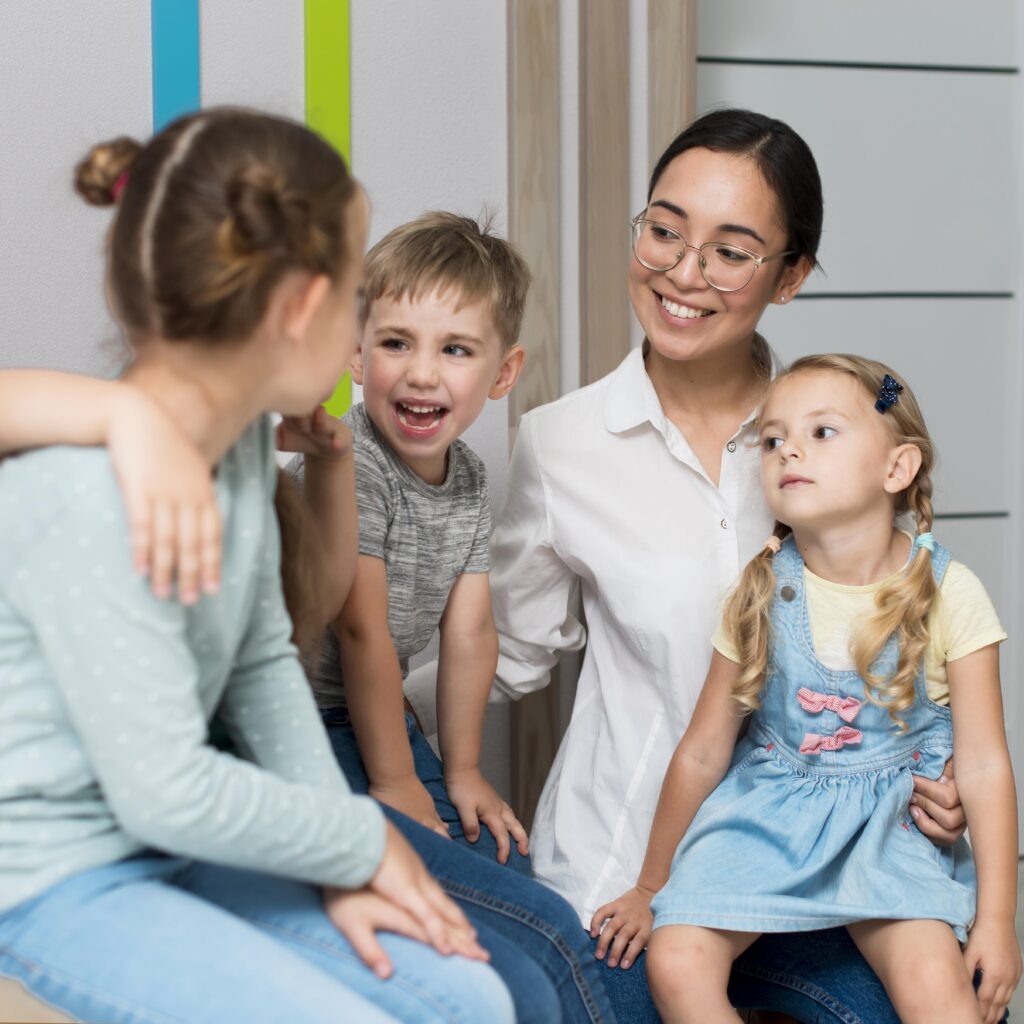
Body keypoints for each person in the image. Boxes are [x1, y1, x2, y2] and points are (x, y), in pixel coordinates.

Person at [0, 108, 516, 1024]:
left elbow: (259, 663)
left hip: (159, 845)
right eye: (359, 295)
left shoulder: (240, 449)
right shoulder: (91, 499)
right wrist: (360, 839)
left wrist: (339, 865)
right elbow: (166, 789)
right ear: (299, 312)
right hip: (48, 879)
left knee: (468, 998)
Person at [491, 108, 972, 1022]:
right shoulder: (561, 446)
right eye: (665, 231)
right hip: (623, 878)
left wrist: (940, 782)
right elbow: (507, 658)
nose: (683, 272)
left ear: (790, 276)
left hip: (833, 879)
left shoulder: (839, 443)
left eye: (730, 251)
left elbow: (909, 653)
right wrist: (342, 715)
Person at [638, 355, 1019, 1023]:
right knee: (674, 959)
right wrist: (650, 884)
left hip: (891, 829)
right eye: (775, 437)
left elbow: (986, 762)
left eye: (822, 432)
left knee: (942, 994)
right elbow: (703, 751)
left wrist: (997, 918)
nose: (789, 450)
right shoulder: (758, 592)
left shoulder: (947, 592)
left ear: (897, 469)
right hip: (769, 823)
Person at [297, 212, 531, 871]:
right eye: (397, 343)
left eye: (455, 350)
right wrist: (398, 781)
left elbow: (471, 634)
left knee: (498, 858)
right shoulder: (349, 464)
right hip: (291, 720)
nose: (421, 374)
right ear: (355, 352)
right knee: (405, 870)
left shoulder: (469, 479)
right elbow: (360, 633)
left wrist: (461, 769)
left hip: (374, 712)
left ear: (503, 372)